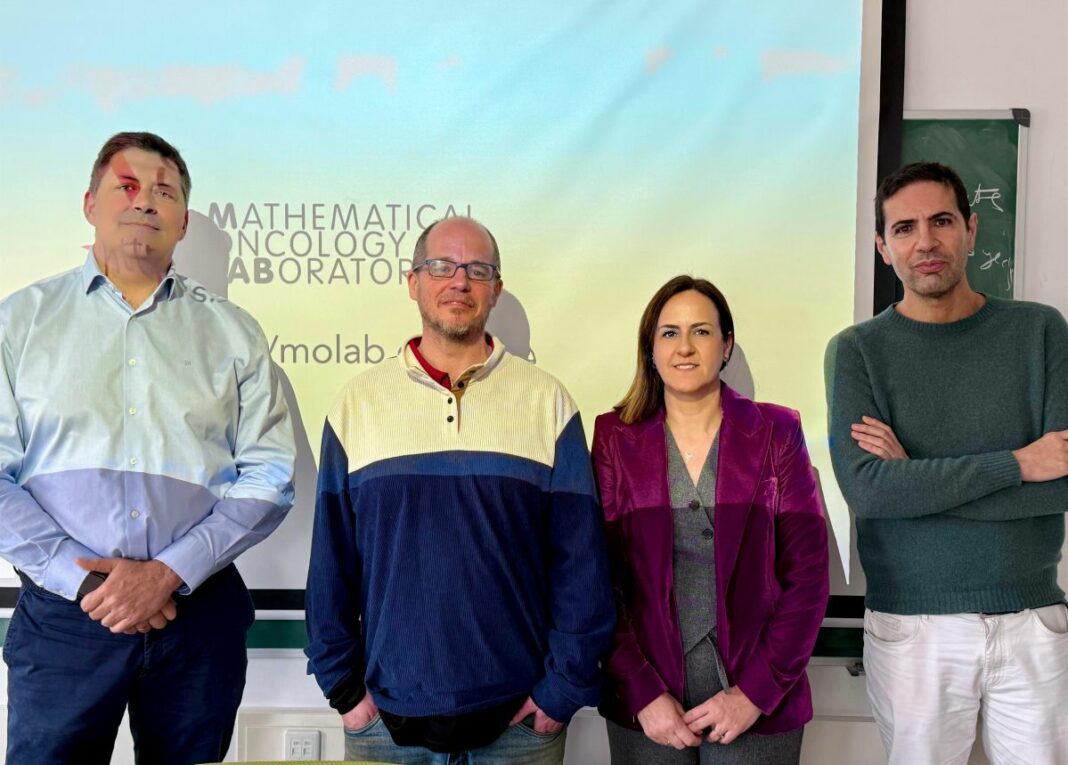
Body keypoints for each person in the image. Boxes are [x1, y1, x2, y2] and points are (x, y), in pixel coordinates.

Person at [0, 132, 296, 765]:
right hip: (65, 622)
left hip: (197, 617)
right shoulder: (18, 322)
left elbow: (270, 476)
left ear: (183, 222)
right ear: (90, 204)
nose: (144, 201)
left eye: (164, 191)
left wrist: (167, 573)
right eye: (126, 186)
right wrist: (87, 583)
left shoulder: (234, 332)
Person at [304, 216, 615, 764]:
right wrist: (345, 693)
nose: (460, 281)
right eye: (442, 266)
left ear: (496, 288)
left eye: (478, 270)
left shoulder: (547, 402)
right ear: (413, 282)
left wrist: (563, 691)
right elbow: (332, 562)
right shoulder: (357, 404)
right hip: (383, 728)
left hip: (522, 730)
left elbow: (580, 564)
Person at [825, 161, 1068, 764]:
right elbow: (871, 493)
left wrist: (916, 476)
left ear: (971, 229)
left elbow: (1060, 483)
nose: (925, 242)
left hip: (1032, 620)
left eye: (941, 221)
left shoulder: (1041, 332)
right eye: (904, 228)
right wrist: (1018, 463)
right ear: (883, 247)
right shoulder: (857, 351)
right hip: (912, 627)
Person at [593, 275, 829, 764]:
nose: (685, 347)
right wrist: (641, 692)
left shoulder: (778, 431)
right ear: (650, 349)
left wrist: (754, 694)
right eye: (669, 333)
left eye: (701, 331)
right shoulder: (614, 437)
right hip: (649, 706)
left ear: (726, 345)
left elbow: (808, 580)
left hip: (758, 703)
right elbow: (598, 581)